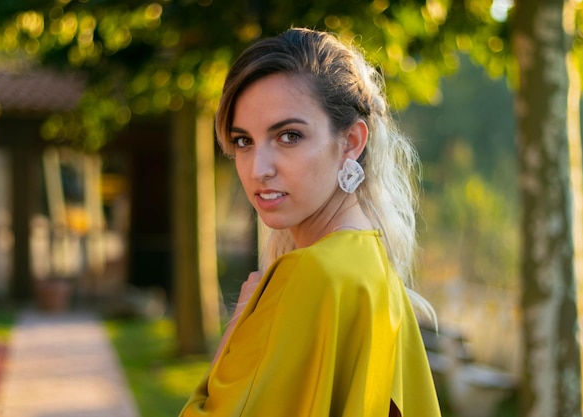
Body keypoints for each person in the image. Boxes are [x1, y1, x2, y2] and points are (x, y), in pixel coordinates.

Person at [179, 27, 441, 417]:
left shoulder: (309, 273)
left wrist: (238, 326)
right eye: (243, 141)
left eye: (288, 136)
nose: (258, 170)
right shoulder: (372, 265)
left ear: (351, 141)